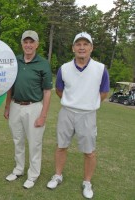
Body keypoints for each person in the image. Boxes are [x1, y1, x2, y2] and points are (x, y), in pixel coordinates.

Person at [46, 32, 110, 199]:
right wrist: (72, 102)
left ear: (91, 48)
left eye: (85, 44)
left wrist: (88, 103)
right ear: (73, 48)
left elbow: (104, 92)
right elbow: (59, 91)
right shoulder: (64, 68)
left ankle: (87, 182)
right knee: (61, 146)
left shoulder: (101, 69)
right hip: (66, 112)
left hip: (88, 114)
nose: (82, 47)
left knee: (89, 151)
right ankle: (58, 175)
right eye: (78, 44)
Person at [4, 30, 53, 189]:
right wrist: (7, 107)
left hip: (34, 108)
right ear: (22, 44)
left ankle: (33, 175)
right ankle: (18, 170)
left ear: (37, 44)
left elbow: (47, 92)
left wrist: (43, 115)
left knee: (34, 143)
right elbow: (9, 86)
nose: (28, 45)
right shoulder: (15, 60)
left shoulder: (43, 63)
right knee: (17, 140)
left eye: (32, 42)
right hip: (15, 106)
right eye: (26, 42)